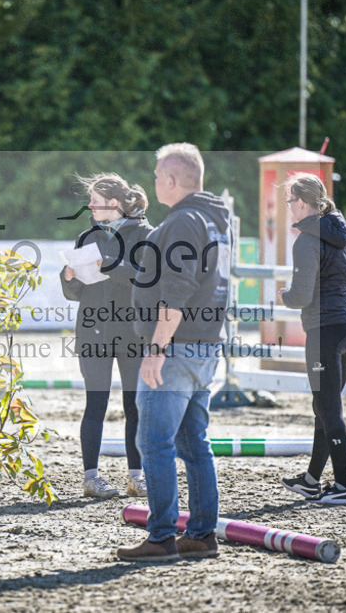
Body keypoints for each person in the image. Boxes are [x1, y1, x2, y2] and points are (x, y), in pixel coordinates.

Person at [116, 143, 231, 563]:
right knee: (193, 442)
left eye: (156, 175)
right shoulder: (215, 219)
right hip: (203, 346)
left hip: (177, 348)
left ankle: (162, 535)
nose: (153, 182)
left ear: (171, 180)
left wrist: (156, 348)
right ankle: (201, 534)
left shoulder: (183, 221)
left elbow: (177, 289)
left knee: (154, 442)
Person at [61, 173, 154, 499]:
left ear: (114, 204)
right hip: (93, 332)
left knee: (134, 406)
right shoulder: (87, 235)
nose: (90, 205)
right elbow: (73, 293)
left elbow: (146, 279)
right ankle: (91, 477)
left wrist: (109, 264)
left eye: (96, 201)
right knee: (95, 405)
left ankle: (136, 476)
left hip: (132, 332)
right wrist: (70, 277)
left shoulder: (146, 235)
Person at [277, 173, 346, 506]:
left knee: (328, 409)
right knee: (323, 408)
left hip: (323, 331)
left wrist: (284, 295)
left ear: (302, 202)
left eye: (289, 203)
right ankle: (313, 480)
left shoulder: (307, 240)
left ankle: (343, 486)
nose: (289, 210)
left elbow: (300, 295)